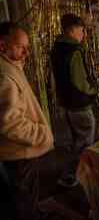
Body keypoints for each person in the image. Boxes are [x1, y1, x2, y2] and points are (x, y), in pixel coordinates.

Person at [0, 22, 54, 220]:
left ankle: (35, 212)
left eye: (27, 48)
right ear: (2, 45)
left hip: (22, 150)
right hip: (19, 153)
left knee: (29, 192)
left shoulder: (11, 66)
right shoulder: (4, 75)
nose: (25, 53)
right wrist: (42, 133)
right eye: (20, 46)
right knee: (24, 196)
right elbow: (9, 122)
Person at [51, 14, 97, 187]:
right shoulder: (75, 51)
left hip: (65, 103)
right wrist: (93, 89)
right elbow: (80, 82)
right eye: (81, 29)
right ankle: (77, 176)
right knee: (84, 141)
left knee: (72, 142)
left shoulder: (56, 48)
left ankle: (69, 173)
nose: (83, 33)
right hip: (79, 104)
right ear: (71, 30)